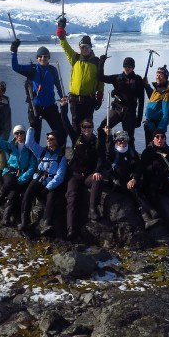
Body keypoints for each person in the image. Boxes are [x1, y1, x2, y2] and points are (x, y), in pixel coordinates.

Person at [93, 129, 160, 229]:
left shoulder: (132, 152)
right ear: (116, 141)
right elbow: (107, 155)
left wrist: (134, 178)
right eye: (119, 140)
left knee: (136, 189)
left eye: (124, 140)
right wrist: (109, 135)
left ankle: (148, 217)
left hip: (129, 180)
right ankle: (149, 214)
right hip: (116, 183)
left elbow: (138, 167)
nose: (122, 142)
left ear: (127, 140)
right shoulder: (112, 153)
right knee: (133, 191)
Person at [61, 98, 105, 239]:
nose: (86, 129)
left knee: (98, 179)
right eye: (84, 127)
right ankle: (71, 229)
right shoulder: (76, 138)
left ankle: (93, 209)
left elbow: (101, 157)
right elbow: (66, 123)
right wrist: (64, 108)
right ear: (81, 128)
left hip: (88, 176)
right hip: (75, 175)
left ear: (92, 128)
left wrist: (97, 170)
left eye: (89, 127)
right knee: (72, 197)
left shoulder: (97, 142)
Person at [10, 40, 65, 146]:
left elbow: (58, 85)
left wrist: (62, 97)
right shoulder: (32, 69)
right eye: (40, 56)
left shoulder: (53, 70)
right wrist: (14, 51)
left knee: (60, 131)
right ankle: (34, 160)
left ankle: (58, 155)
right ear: (37, 58)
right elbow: (15, 67)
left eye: (45, 56)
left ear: (49, 58)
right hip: (36, 107)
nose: (43, 58)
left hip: (50, 106)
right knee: (35, 136)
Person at [0, 122, 38, 226]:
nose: (19, 135)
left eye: (21, 133)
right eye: (16, 133)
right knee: (9, 182)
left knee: (14, 195)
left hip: (22, 175)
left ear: (25, 134)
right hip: (10, 172)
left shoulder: (30, 149)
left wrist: (23, 178)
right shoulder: (10, 146)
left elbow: (32, 167)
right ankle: (0, 197)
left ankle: (6, 218)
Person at [56, 18, 104, 132]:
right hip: (75, 100)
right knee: (75, 125)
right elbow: (65, 47)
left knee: (87, 125)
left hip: (89, 100)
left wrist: (100, 95)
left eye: (87, 46)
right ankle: (77, 147)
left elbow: (100, 80)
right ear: (79, 47)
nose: (85, 49)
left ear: (91, 48)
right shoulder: (75, 58)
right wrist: (61, 31)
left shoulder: (96, 62)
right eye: (82, 47)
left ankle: (88, 146)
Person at [21, 128, 68, 236]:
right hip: (38, 179)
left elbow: (59, 177)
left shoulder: (61, 158)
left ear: (57, 141)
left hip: (51, 183)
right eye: (47, 139)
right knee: (28, 194)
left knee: (51, 198)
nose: (48, 140)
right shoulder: (42, 152)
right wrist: (32, 128)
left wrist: (48, 188)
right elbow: (29, 142)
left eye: (51, 139)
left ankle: (45, 224)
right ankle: (24, 222)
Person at [98, 55, 145, 149]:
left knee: (129, 137)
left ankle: (132, 157)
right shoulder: (117, 78)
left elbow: (141, 101)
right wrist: (101, 63)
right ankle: (102, 153)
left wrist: (139, 118)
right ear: (123, 67)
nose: (127, 68)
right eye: (125, 66)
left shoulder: (138, 80)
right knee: (102, 128)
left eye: (129, 67)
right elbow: (100, 78)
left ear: (133, 67)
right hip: (117, 110)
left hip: (130, 113)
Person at [142, 65, 169, 145]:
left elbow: (167, 116)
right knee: (150, 150)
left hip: (156, 128)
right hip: (149, 126)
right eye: (157, 75)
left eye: (160, 75)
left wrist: (158, 131)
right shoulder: (158, 89)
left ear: (165, 77)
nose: (158, 77)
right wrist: (146, 86)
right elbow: (153, 98)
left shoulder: (167, 94)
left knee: (157, 150)